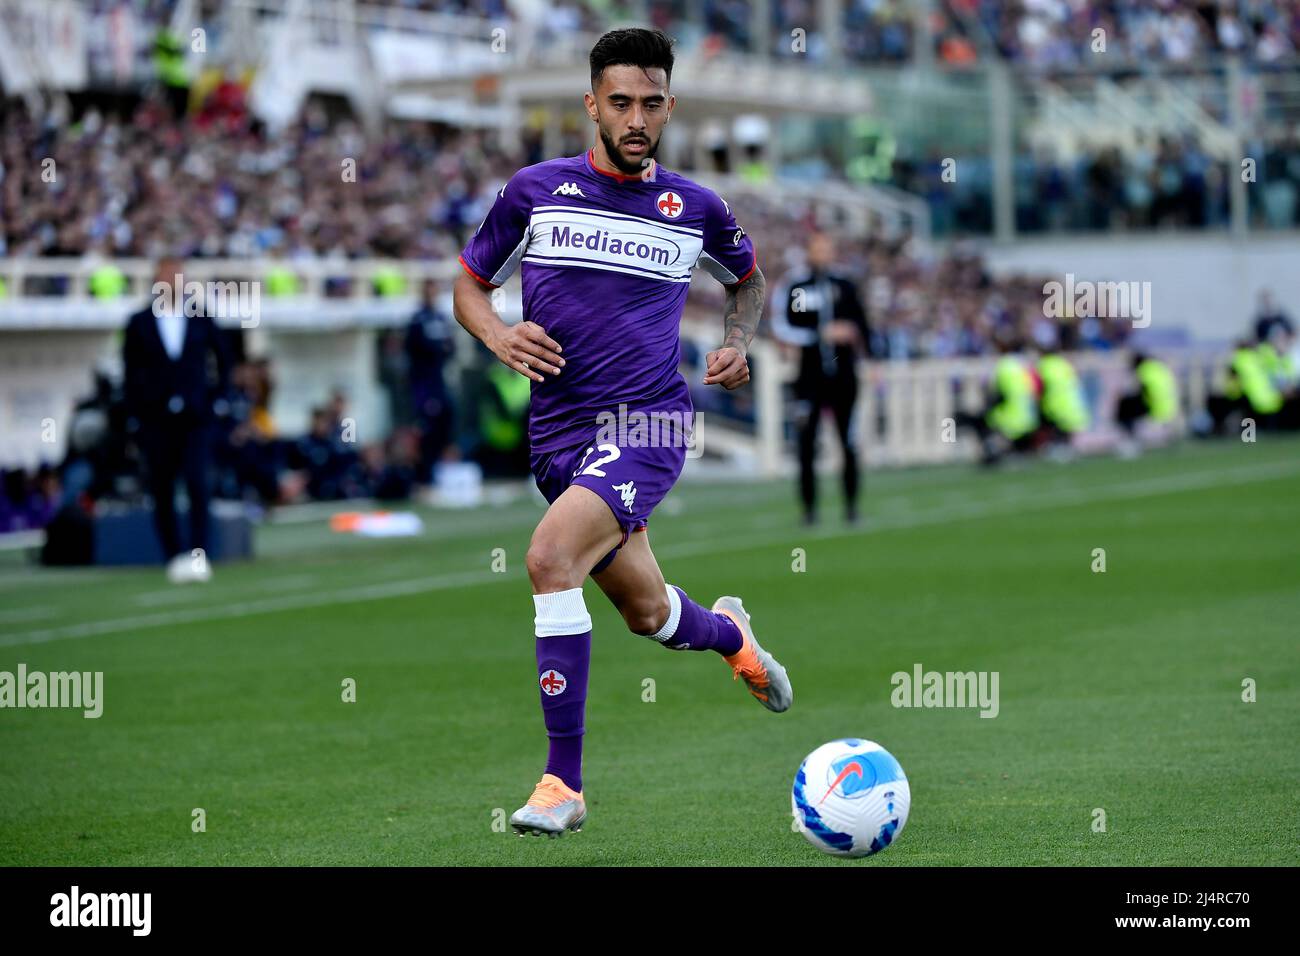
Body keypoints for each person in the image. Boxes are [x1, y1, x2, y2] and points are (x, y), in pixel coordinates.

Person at [452, 28, 792, 838]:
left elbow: (749, 280)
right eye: (620, 103)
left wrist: (738, 344)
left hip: (648, 424)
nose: (636, 118)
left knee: (546, 559)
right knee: (649, 617)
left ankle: (560, 784)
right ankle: (733, 637)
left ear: (669, 107)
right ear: (591, 105)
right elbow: (467, 283)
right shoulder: (535, 191)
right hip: (559, 438)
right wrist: (499, 335)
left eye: (650, 104)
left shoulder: (696, 207)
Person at [122, 257, 231, 582]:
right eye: (166, 276)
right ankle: (172, 555)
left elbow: (223, 360)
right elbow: (130, 372)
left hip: (195, 417)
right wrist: (138, 412)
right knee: (162, 488)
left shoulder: (200, 315)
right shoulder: (139, 321)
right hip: (156, 419)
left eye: (177, 276)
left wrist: (216, 401)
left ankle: (198, 554)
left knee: (198, 484)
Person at [771, 232, 871, 524]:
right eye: (817, 248)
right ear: (809, 251)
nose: (822, 254)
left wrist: (869, 356)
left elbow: (862, 324)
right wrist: (818, 336)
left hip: (844, 376)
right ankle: (809, 510)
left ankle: (852, 507)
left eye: (827, 248)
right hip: (809, 377)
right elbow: (781, 326)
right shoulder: (795, 285)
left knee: (849, 442)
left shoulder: (845, 284)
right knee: (806, 443)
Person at [405, 279, 457, 482]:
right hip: (423, 384)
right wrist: (436, 348)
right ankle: (422, 474)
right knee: (425, 427)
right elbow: (416, 348)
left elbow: (450, 348)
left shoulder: (441, 318)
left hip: (439, 382)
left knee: (445, 421)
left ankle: (440, 469)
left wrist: (438, 348)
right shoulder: (418, 320)